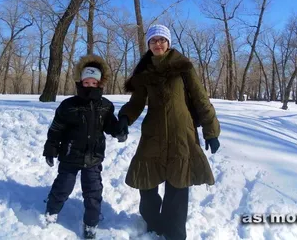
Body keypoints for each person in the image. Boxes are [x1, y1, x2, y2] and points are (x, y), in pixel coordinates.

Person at [117, 24, 221, 240]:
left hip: (181, 134)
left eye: (162, 40)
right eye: (153, 40)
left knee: (178, 185)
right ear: (148, 44)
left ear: (168, 43)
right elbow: (136, 102)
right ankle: (155, 224)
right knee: (146, 185)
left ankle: (175, 234)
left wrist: (211, 131)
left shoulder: (183, 67)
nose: (158, 44)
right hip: (153, 135)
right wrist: (125, 117)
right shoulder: (144, 71)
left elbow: (200, 98)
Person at [43, 54, 125, 239]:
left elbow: (110, 125)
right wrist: (51, 148)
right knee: (62, 187)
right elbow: (56, 129)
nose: (89, 86)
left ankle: (91, 224)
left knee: (93, 192)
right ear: (80, 82)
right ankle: (51, 211)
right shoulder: (68, 105)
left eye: (93, 83)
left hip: (93, 157)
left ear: (99, 84)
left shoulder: (105, 106)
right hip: (70, 155)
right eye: (86, 83)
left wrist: (119, 131)